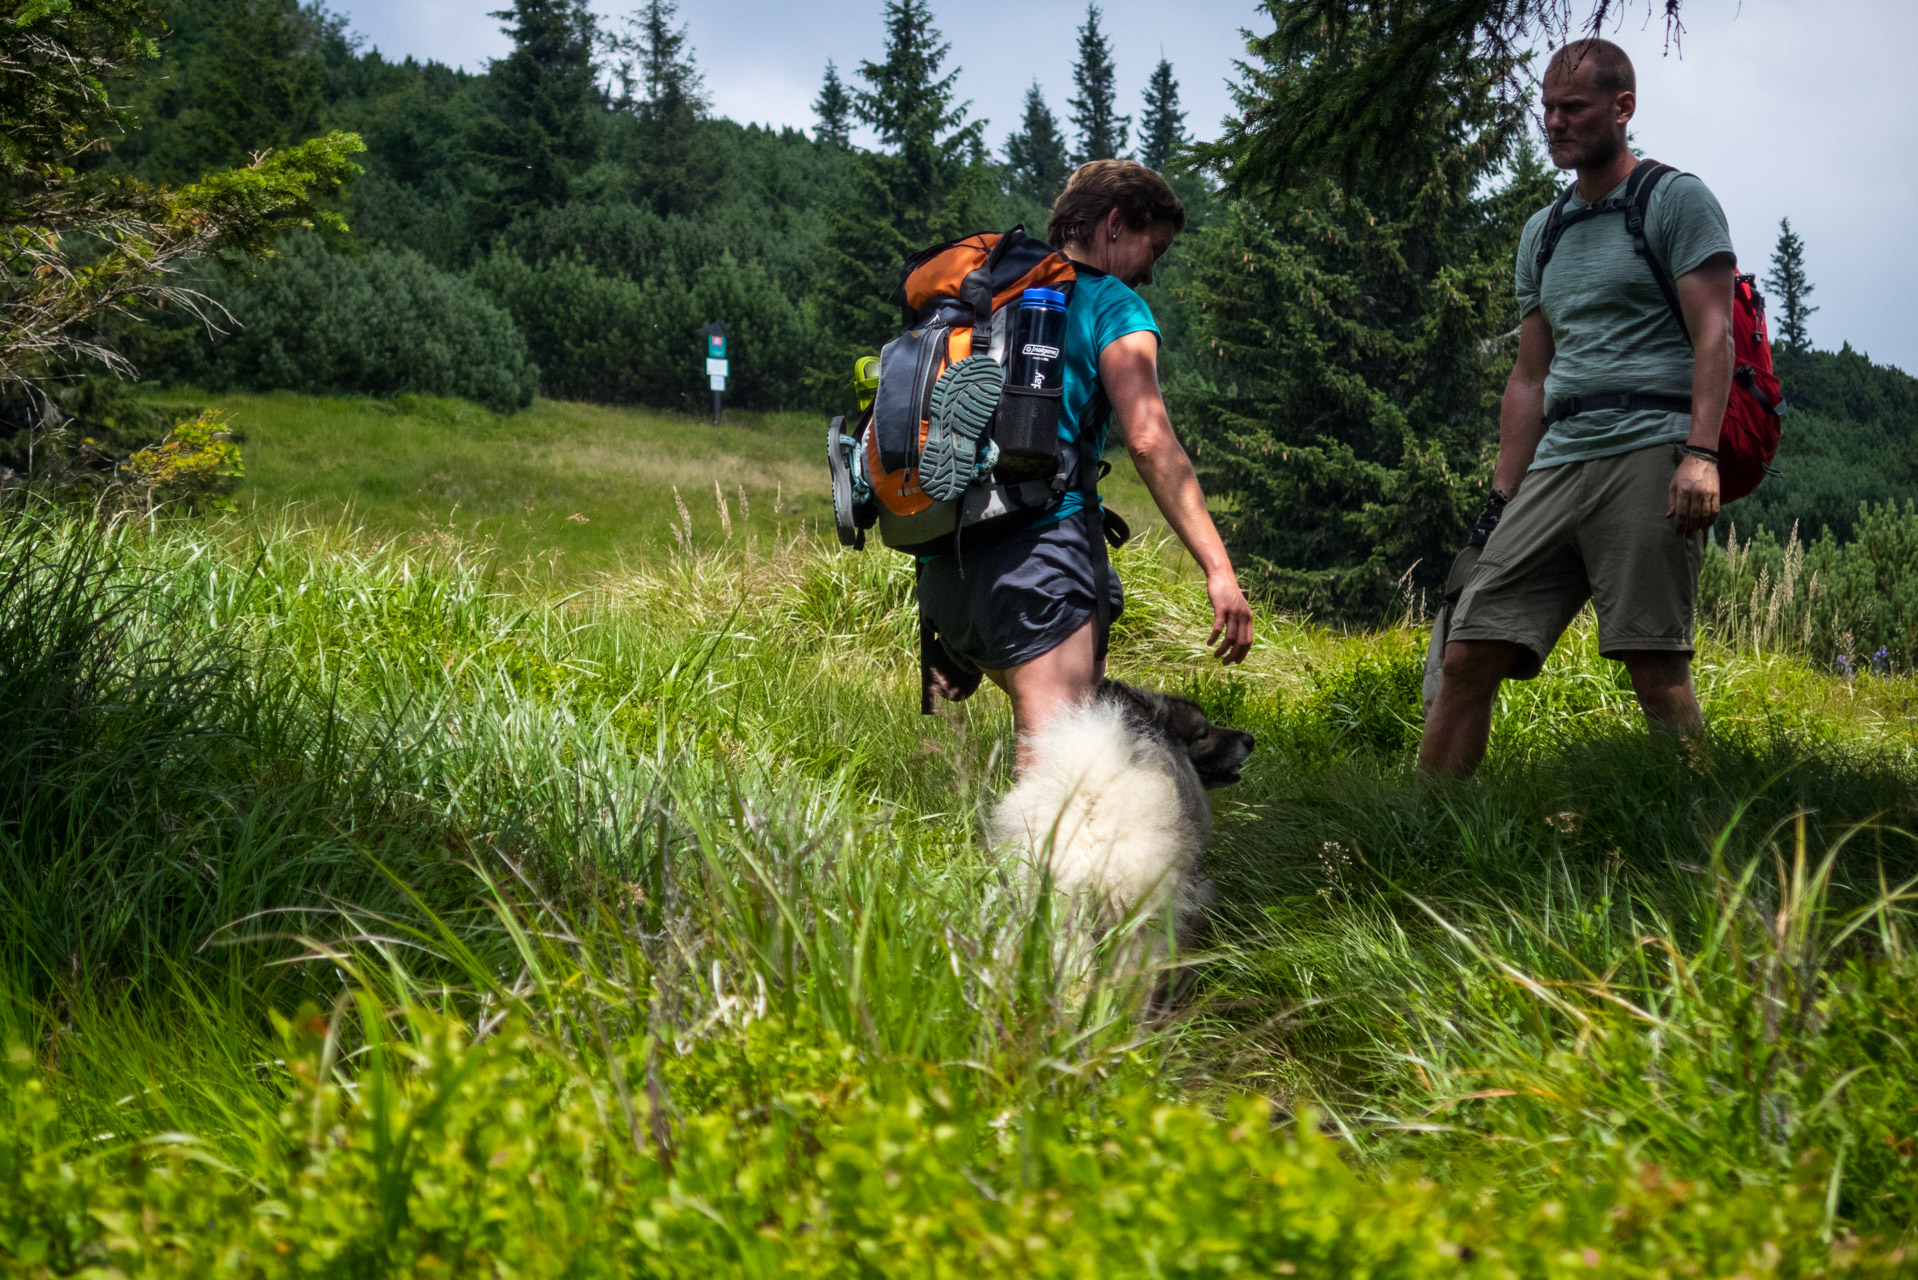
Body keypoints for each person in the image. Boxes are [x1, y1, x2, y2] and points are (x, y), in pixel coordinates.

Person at [1417, 38, 1736, 778]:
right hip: (1559, 457)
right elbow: (1530, 378)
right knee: (1468, 652)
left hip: (1652, 450)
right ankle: (1423, 836)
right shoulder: (1544, 230)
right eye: (1548, 109)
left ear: (1623, 108)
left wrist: (1701, 453)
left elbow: (1714, 335)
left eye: (1574, 108)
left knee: (1654, 669)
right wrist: (1501, 497)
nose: (1555, 123)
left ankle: (1712, 828)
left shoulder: (1676, 200)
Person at [917, 160, 1255, 770]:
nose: (1151, 272)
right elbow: (1150, 441)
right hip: (1038, 563)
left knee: (1075, 762)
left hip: (947, 567)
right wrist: (1220, 570)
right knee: (1055, 772)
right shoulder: (1111, 305)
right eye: (1155, 249)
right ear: (1116, 224)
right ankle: (1035, 869)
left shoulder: (992, 299)